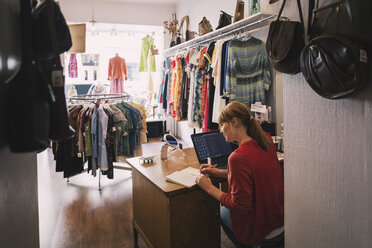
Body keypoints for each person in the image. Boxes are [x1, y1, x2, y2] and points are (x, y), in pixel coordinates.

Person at [196, 101, 284, 248]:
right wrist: (218, 172)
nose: (221, 130)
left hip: (263, 231)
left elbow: (240, 206)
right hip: (279, 221)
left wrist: (209, 188)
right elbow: (254, 174)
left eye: (222, 125)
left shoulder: (238, 157)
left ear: (234, 122)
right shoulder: (266, 140)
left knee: (221, 211)